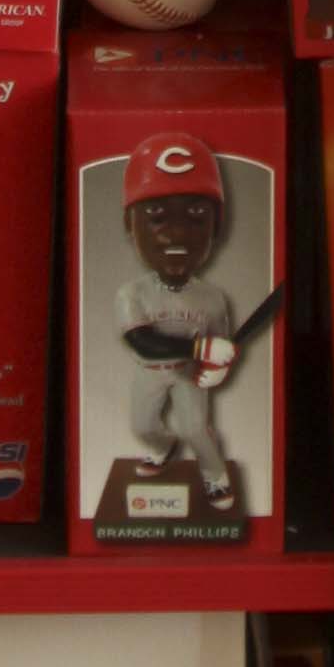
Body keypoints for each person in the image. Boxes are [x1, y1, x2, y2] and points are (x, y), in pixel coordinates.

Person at [114, 128, 246, 512]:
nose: (176, 233)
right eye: (156, 215)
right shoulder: (132, 293)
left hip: (188, 372)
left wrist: (217, 369)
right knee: (142, 427)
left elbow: (223, 346)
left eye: (196, 216)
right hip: (149, 370)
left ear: (217, 228)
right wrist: (202, 347)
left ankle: (215, 477)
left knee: (195, 429)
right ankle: (161, 448)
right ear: (129, 224)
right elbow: (143, 343)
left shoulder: (212, 297)